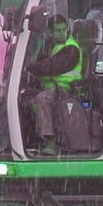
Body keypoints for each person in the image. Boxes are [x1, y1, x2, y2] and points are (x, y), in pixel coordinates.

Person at [28, 15, 83, 153]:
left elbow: (51, 66)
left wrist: (29, 68)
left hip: (66, 90)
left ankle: (50, 142)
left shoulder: (71, 48)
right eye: (58, 30)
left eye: (64, 29)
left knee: (42, 98)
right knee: (21, 96)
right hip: (51, 88)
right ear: (50, 32)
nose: (62, 33)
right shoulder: (48, 45)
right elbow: (38, 63)